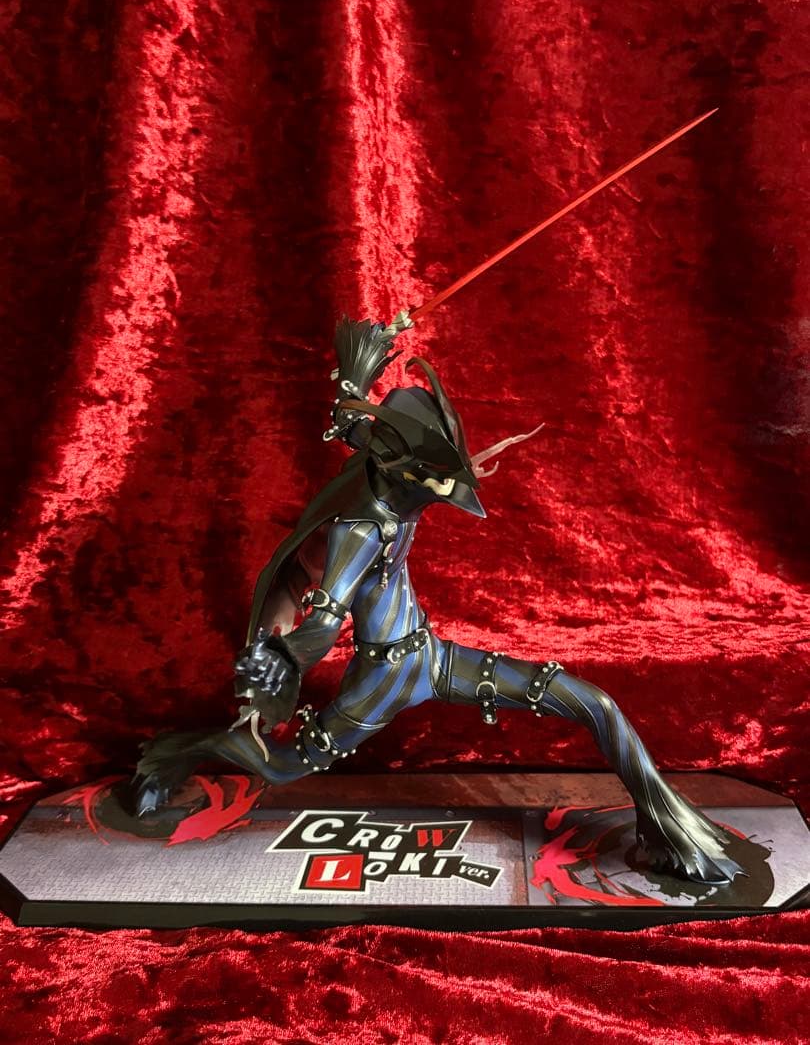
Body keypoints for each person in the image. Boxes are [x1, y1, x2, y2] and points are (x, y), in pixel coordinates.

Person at [135, 316, 740, 884]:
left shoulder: (383, 467)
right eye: (436, 479)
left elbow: (354, 421)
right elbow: (325, 619)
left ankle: (669, 829)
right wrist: (284, 657)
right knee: (279, 765)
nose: (448, 489)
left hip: (432, 655)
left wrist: (357, 370)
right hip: (379, 681)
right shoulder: (360, 530)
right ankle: (171, 754)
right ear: (401, 470)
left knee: (594, 703)